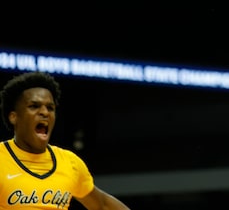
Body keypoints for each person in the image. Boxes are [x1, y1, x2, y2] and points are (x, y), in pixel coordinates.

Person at [0, 71, 132, 210]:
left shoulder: (70, 163)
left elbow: (103, 204)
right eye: (34, 106)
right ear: (13, 117)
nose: (45, 112)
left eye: (50, 108)